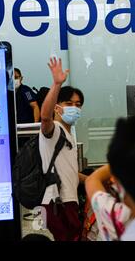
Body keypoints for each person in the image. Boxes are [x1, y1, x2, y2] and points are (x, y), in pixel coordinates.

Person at [39, 57, 88, 241]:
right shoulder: (54, 130)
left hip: (67, 199)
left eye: (78, 105)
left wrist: (92, 180)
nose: (74, 108)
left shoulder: (69, 134)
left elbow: (70, 172)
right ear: (57, 107)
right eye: (69, 104)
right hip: (57, 201)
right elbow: (45, 117)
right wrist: (57, 84)